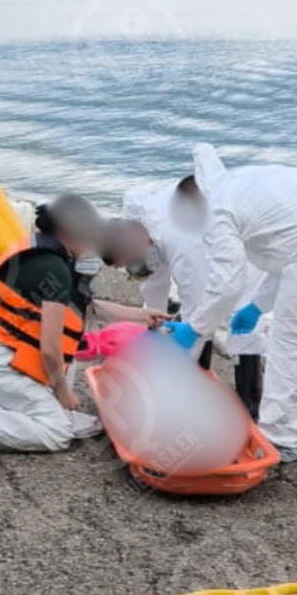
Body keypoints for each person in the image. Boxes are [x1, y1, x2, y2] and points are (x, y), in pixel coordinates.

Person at [164, 149, 297, 463]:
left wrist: (195, 328)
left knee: (291, 346)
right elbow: (287, 250)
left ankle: (280, 438)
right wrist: (256, 306)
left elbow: (226, 284)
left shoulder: (218, 210)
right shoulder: (241, 184)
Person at [0, 193, 167, 457]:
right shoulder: (54, 268)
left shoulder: (52, 254)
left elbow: (81, 308)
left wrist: (140, 315)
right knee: (55, 433)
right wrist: (63, 392)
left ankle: (29, 407)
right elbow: (50, 349)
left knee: (69, 351)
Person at [111, 154, 267, 418]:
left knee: (237, 327)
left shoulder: (179, 244)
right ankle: (197, 383)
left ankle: (249, 405)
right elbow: (154, 284)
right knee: (194, 322)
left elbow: (199, 311)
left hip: (237, 253)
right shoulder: (145, 218)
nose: (139, 269)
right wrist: (152, 321)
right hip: (216, 238)